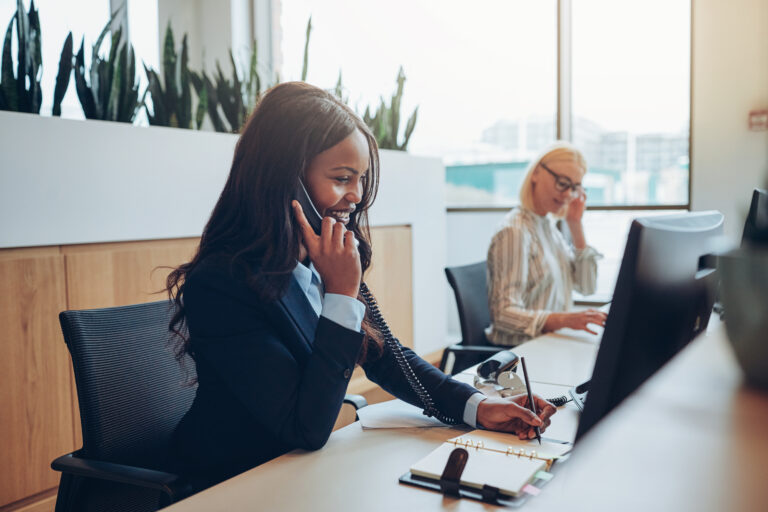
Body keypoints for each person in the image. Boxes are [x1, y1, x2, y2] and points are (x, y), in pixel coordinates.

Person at [166, 82, 556, 492]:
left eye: (360, 179)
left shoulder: (314, 263)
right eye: (341, 178)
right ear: (286, 179)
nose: (355, 196)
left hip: (301, 478)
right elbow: (305, 429)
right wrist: (340, 294)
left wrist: (478, 406)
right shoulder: (222, 283)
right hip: (234, 486)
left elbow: (386, 356)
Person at [486, 142, 608, 347]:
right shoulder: (515, 231)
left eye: (575, 187)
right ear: (536, 173)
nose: (568, 194)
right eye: (562, 183)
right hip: (521, 353)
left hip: (549, 343)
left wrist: (576, 225)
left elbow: (587, 287)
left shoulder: (548, 227)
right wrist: (563, 320)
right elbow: (504, 315)